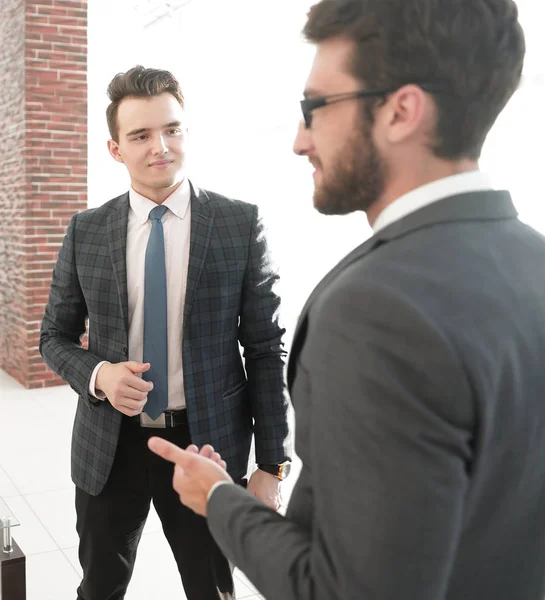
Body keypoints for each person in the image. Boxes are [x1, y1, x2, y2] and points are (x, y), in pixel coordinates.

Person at [149, 1, 545, 599]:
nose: (299, 141)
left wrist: (219, 498)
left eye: (314, 109)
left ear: (401, 111)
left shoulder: (373, 314)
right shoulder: (534, 261)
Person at [39, 65, 292, 600]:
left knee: (212, 590)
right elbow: (54, 338)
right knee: (100, 587)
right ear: (115, 149)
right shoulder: (86, 231)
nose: (161, 146)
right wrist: (100, 374)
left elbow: (266, 350)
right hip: (110, 445)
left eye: (172, 129)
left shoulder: (238, 224)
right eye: (141, 135)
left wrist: (271, 462)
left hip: (207, 446)